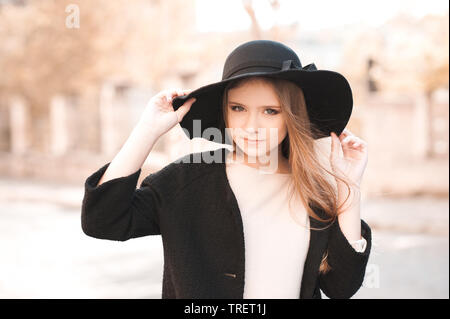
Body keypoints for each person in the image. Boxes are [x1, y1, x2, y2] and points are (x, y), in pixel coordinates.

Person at [81, 40, 372, 299]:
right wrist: (146, 131)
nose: (251, 126)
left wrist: (349, 189)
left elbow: (341, 288)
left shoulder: (315, 192)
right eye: (238, 109)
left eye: (270, 111)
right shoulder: (186, 181)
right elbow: (102, 220)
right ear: (225, 111)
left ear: (292, 116)